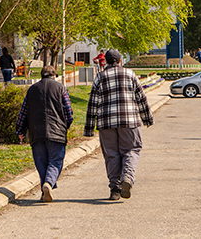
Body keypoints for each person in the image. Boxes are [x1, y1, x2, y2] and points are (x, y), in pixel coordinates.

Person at [84, 50, 154, 201]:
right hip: (129, 121)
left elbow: (93, 103)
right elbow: (141, 97)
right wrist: (147, 119)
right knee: (132, 149)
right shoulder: (130, 74)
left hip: (106, 122)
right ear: (120, 61)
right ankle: (127, 177)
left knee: (111, 154)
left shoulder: (100, 77)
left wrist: (89, 129)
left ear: (106, 62)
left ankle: (115, 189)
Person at [15, 66, 73, 202]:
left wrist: (20, 131)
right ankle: (48, 183)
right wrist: (65, 126)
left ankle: (44, 189)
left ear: (42, 76)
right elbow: (68, 111)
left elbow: (23, 112)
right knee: (55, 161)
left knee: (41, 163)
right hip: (56, 132)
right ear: (54, 76)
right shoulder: (61, 88)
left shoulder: (32, 90)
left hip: (36, 131)